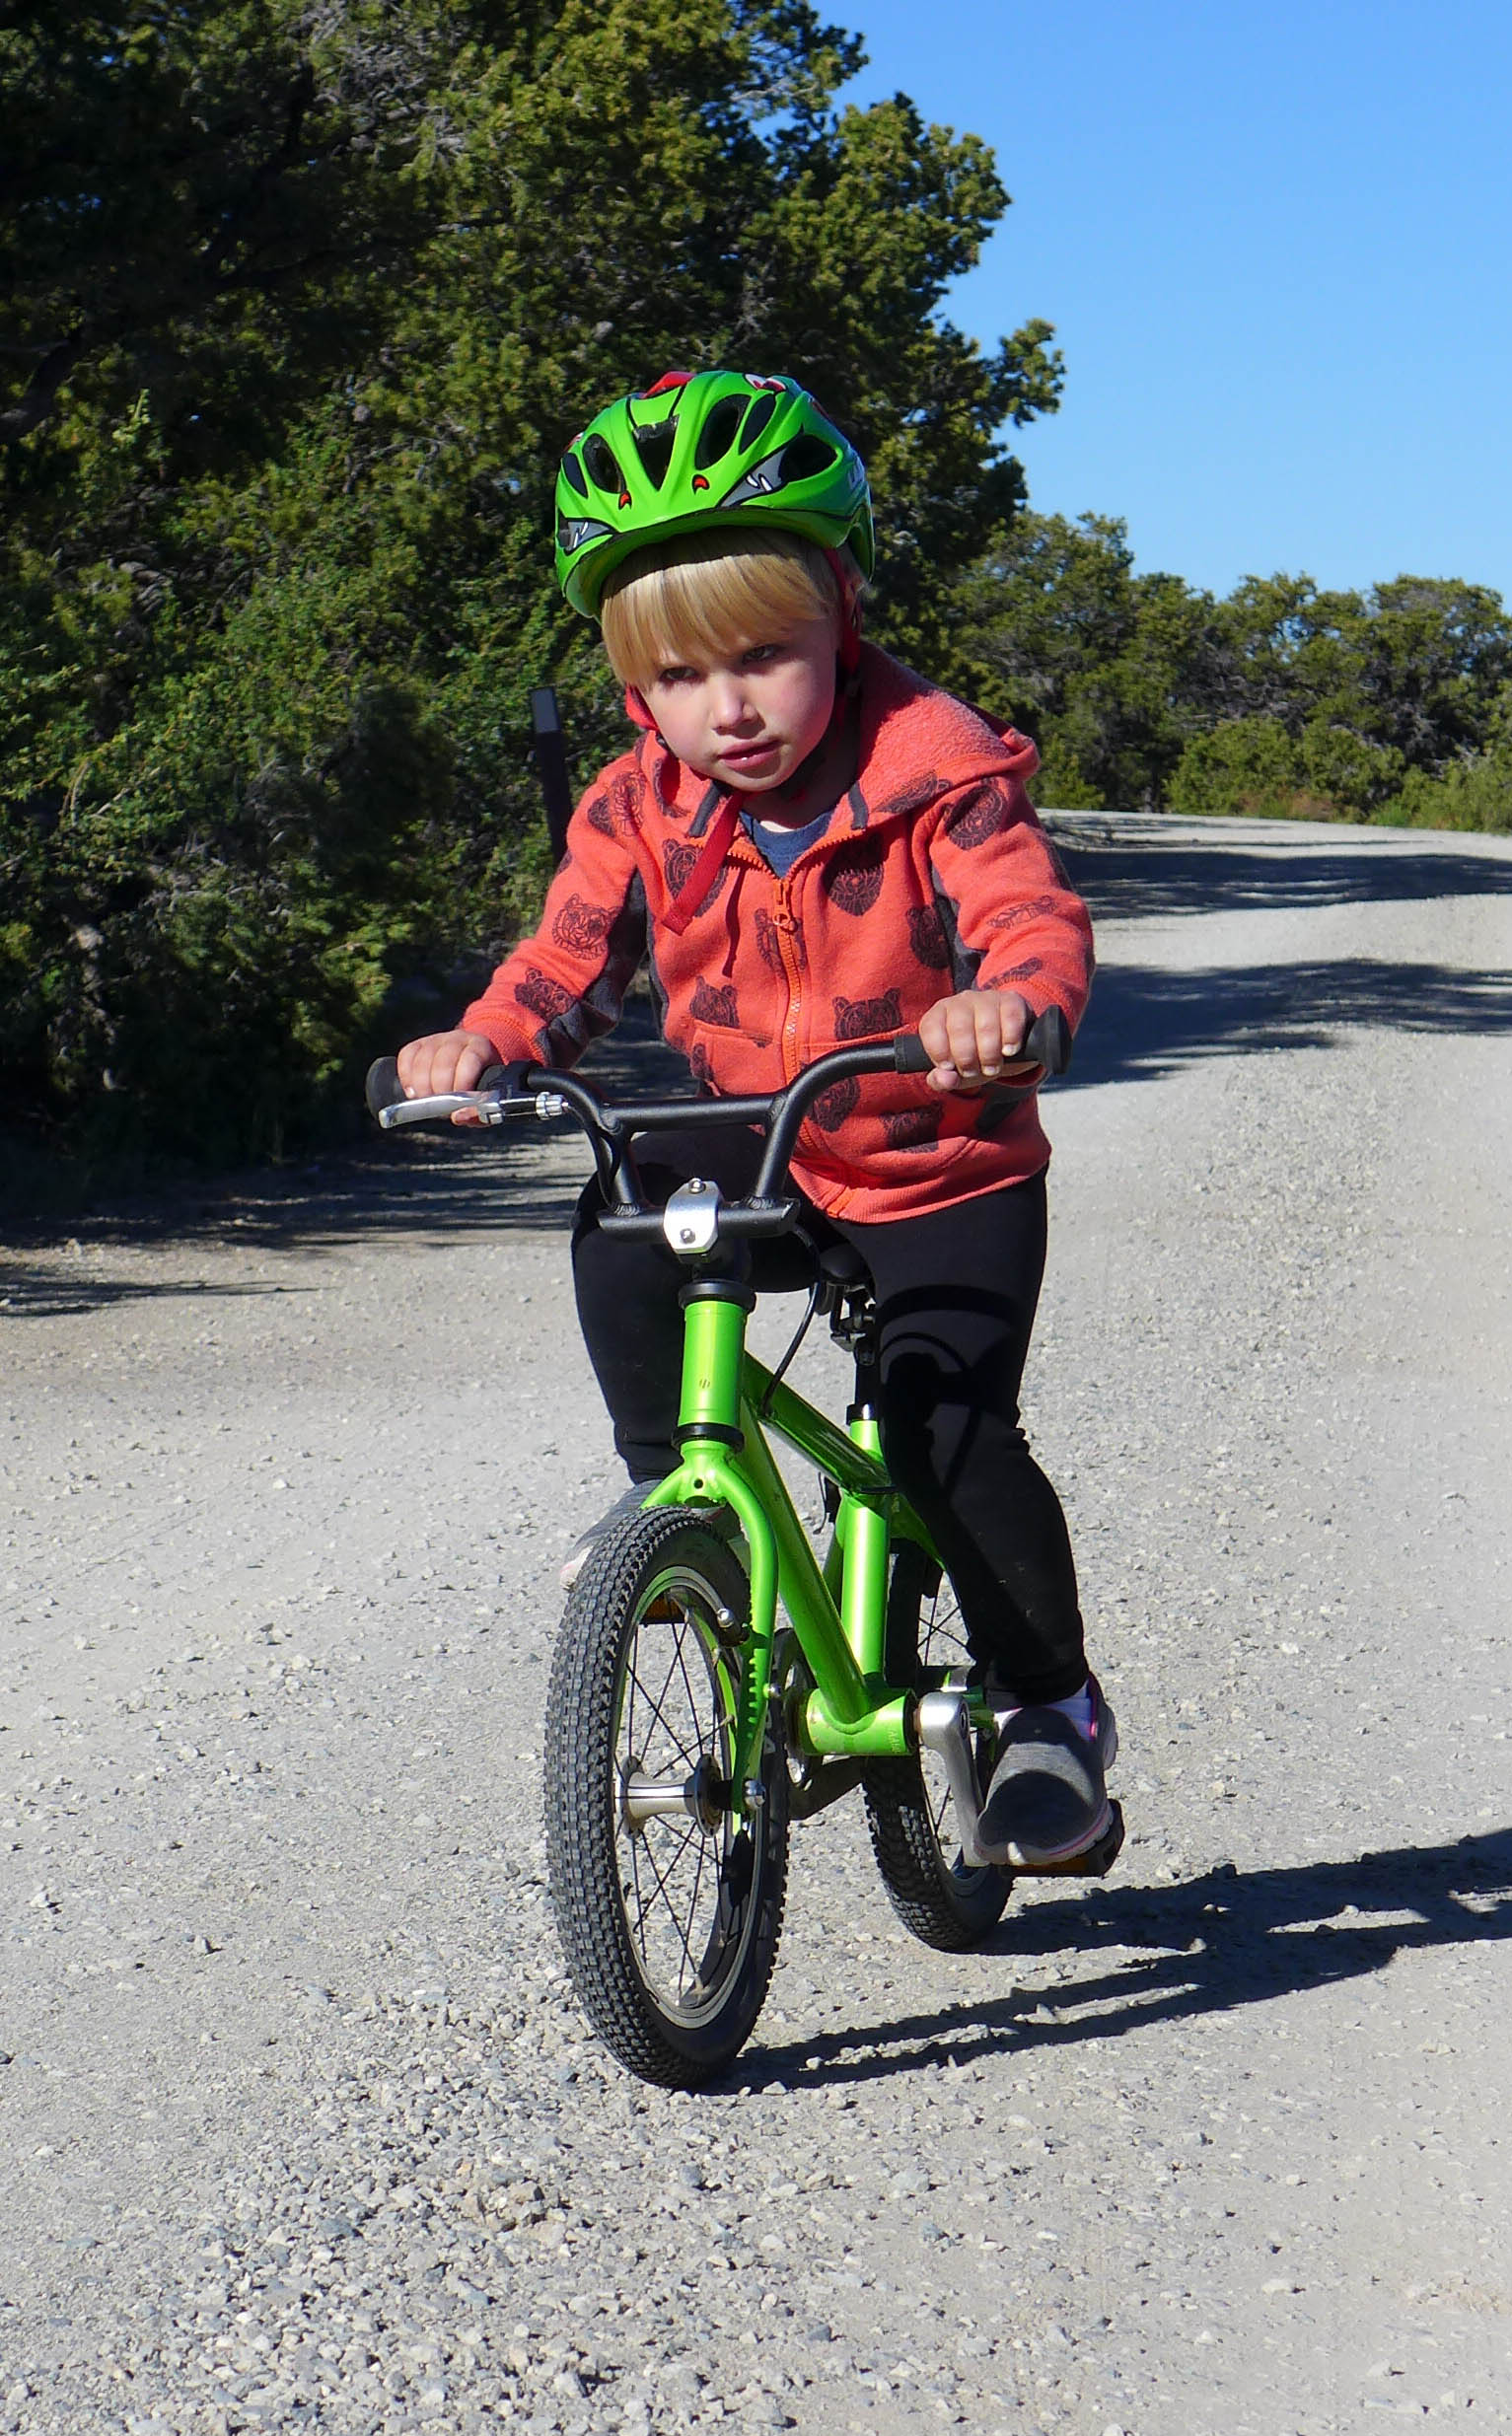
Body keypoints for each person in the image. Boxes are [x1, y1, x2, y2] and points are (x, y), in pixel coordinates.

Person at [394, 369, 1114, 1868]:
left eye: (764, 658)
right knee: (619, 1214)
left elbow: (1029, 918)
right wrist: (485, 1040)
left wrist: (1012, 1010)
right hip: (753, 1131)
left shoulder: (941, 770)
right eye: (674, 679)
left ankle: (1052, 1712)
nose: (723, 709)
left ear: (839, 613)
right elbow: (569, 956)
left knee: (949, 1437)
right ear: (630, 686)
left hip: (936, 1156)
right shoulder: (638, 800)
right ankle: (673, 1498)